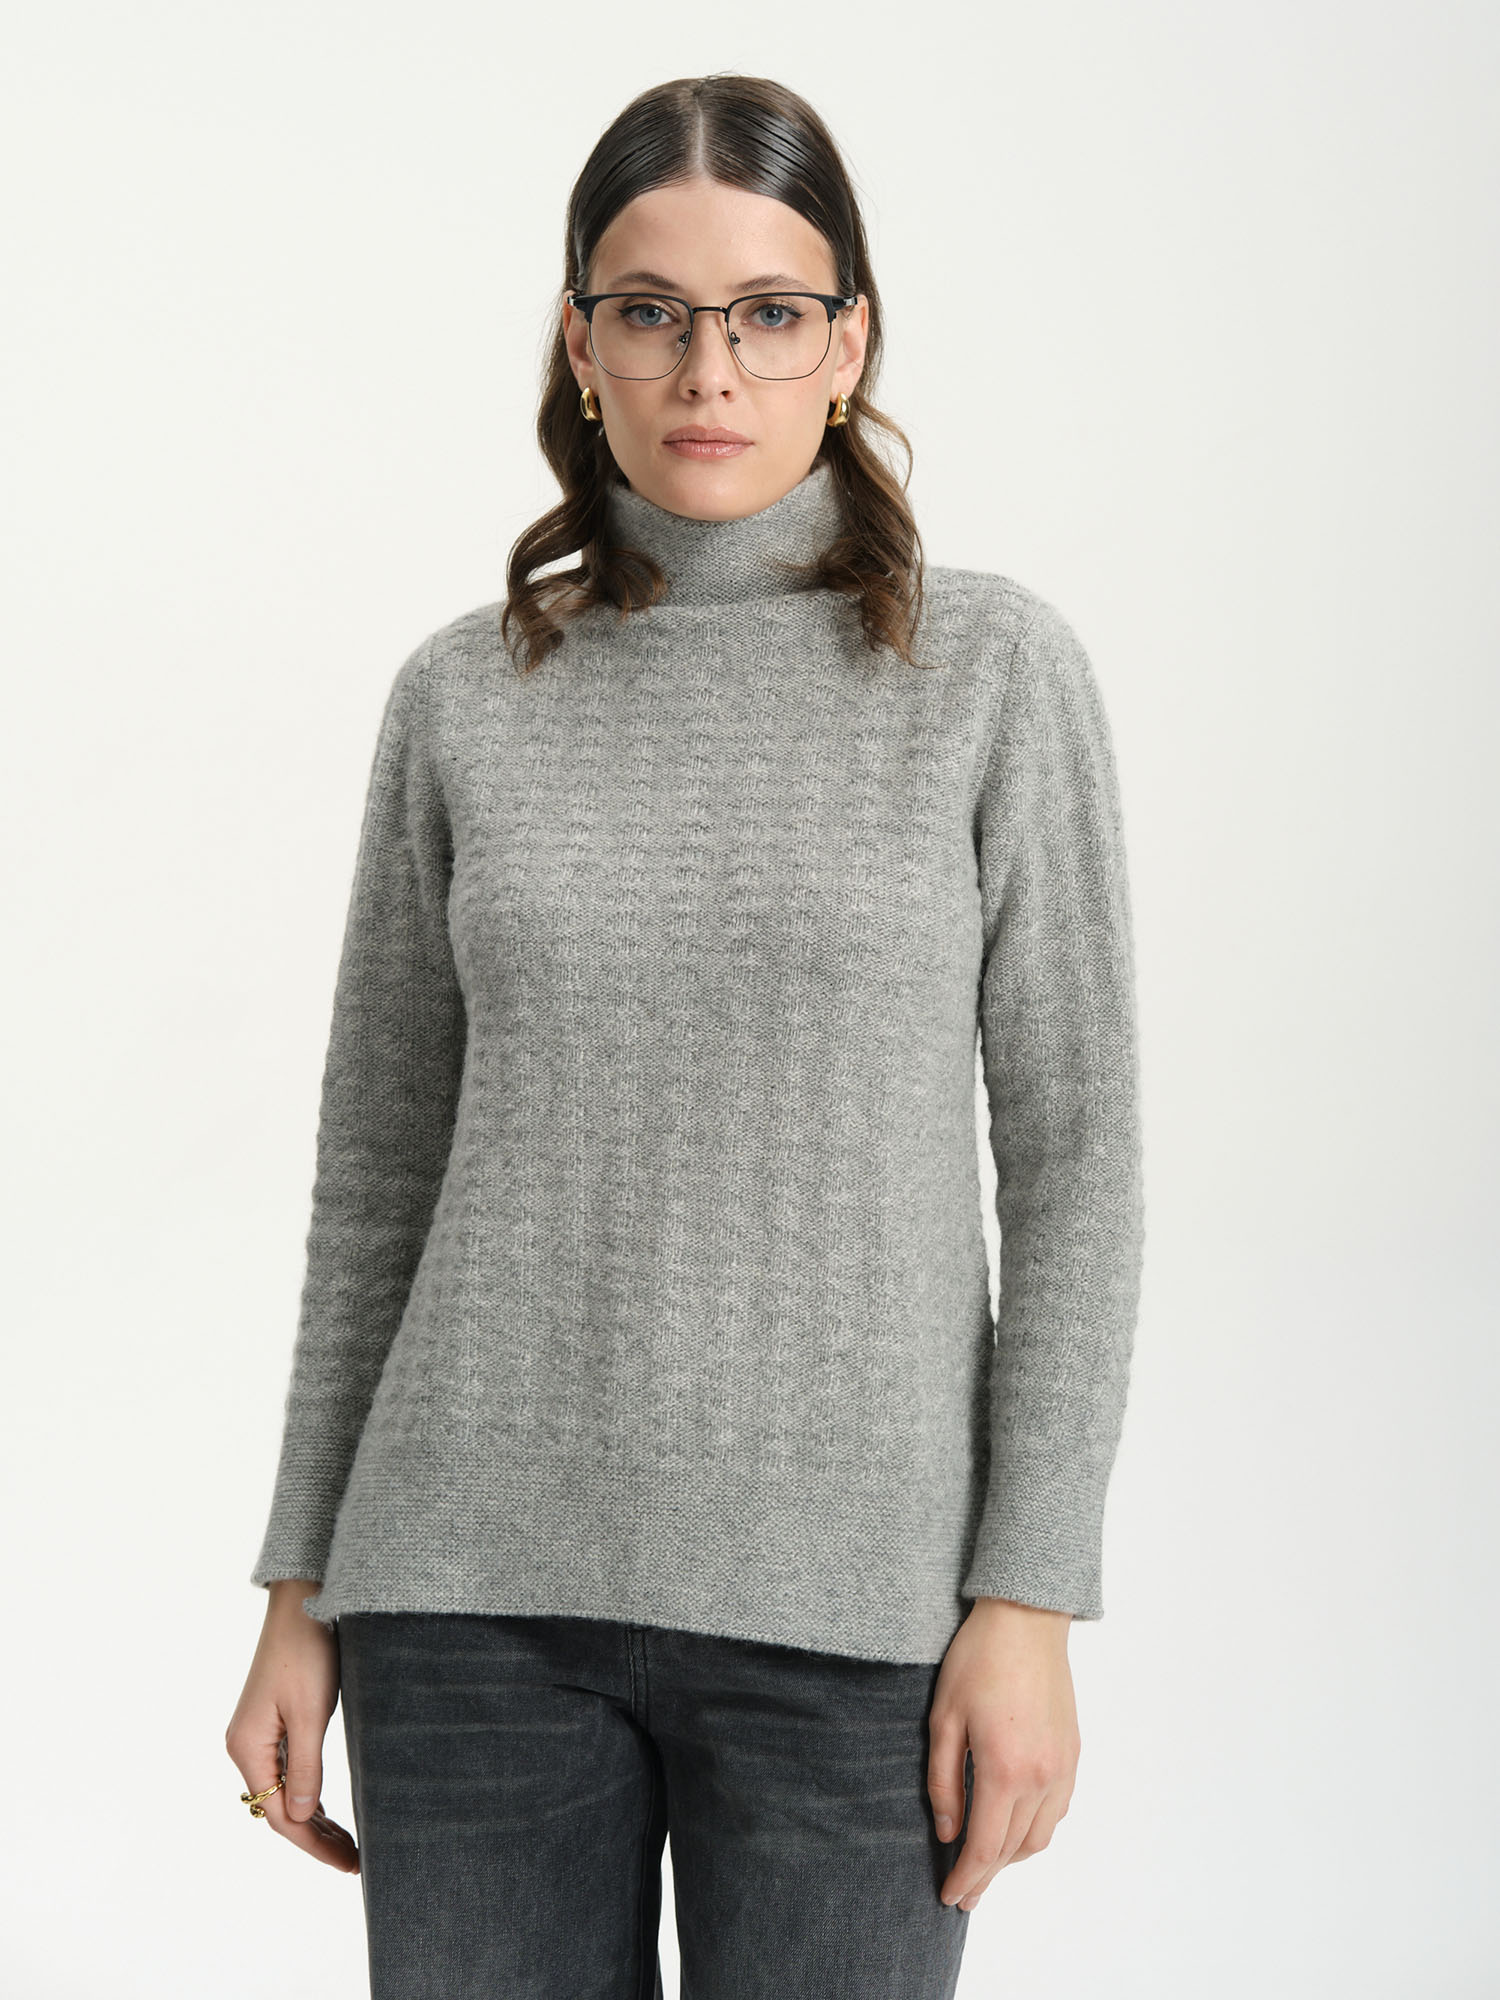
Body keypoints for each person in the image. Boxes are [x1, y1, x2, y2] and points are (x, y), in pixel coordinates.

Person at [225, 71, 1145, 2000]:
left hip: (856, 1623)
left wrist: (1030, 1598)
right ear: (582, 345)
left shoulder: (990, 673)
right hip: (465, 1605)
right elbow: (376, 1179)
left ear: (849, 342)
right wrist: (301, 1583)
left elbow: (1075, 1166)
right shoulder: (464, 693)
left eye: (769, 312)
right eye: (650, 311)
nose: (707, 369)